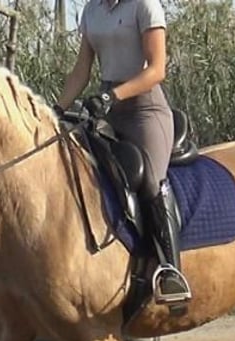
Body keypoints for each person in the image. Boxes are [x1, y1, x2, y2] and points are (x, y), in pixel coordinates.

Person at [55, 0, 192, 306]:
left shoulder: (144, 6)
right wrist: (57, 109)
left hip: (146, 111)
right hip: (109, 110)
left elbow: (157, 69)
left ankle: (171, 271)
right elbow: (81, 70)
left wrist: (111, 95)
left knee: (151, 182)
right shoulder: (92, 11)